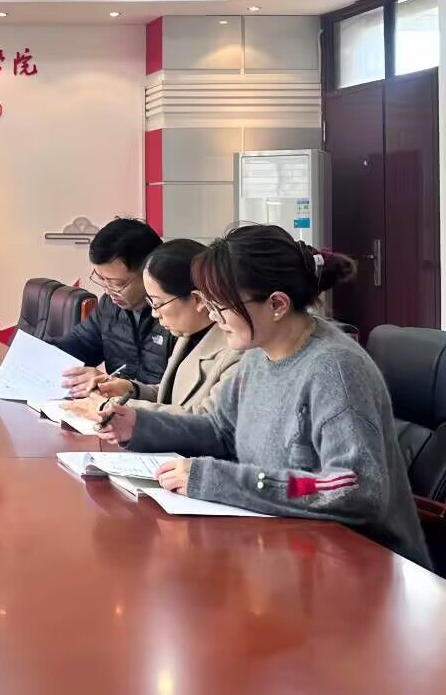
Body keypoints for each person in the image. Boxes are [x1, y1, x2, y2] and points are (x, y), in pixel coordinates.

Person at [97, 225, 431, 568]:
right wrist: (140, 425)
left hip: (360, 564)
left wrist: (217, 480)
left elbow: (351, 488)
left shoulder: (334, 370)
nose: (212, 317)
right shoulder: (258, 355)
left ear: (276, 304)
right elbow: (220, 429)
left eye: (221, 306)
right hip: (289, 548)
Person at [73, 239, 241, 416]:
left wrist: (115, 406)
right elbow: (172, 397)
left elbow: (205, 420)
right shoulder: (188, 335)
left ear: (197, 300)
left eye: (158, 303)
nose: (154, 313)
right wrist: (131, 389)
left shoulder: (236, 351)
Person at [50, 217, 172, 396]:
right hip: (113, 406)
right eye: (101, 279)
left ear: (150, 272)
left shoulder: (175, 314)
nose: (108, 290)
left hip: (152, 410)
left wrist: (117, 386)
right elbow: (81, 343)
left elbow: (181, 395)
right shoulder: (109, 305)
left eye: (117, 283)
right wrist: (43, 353)